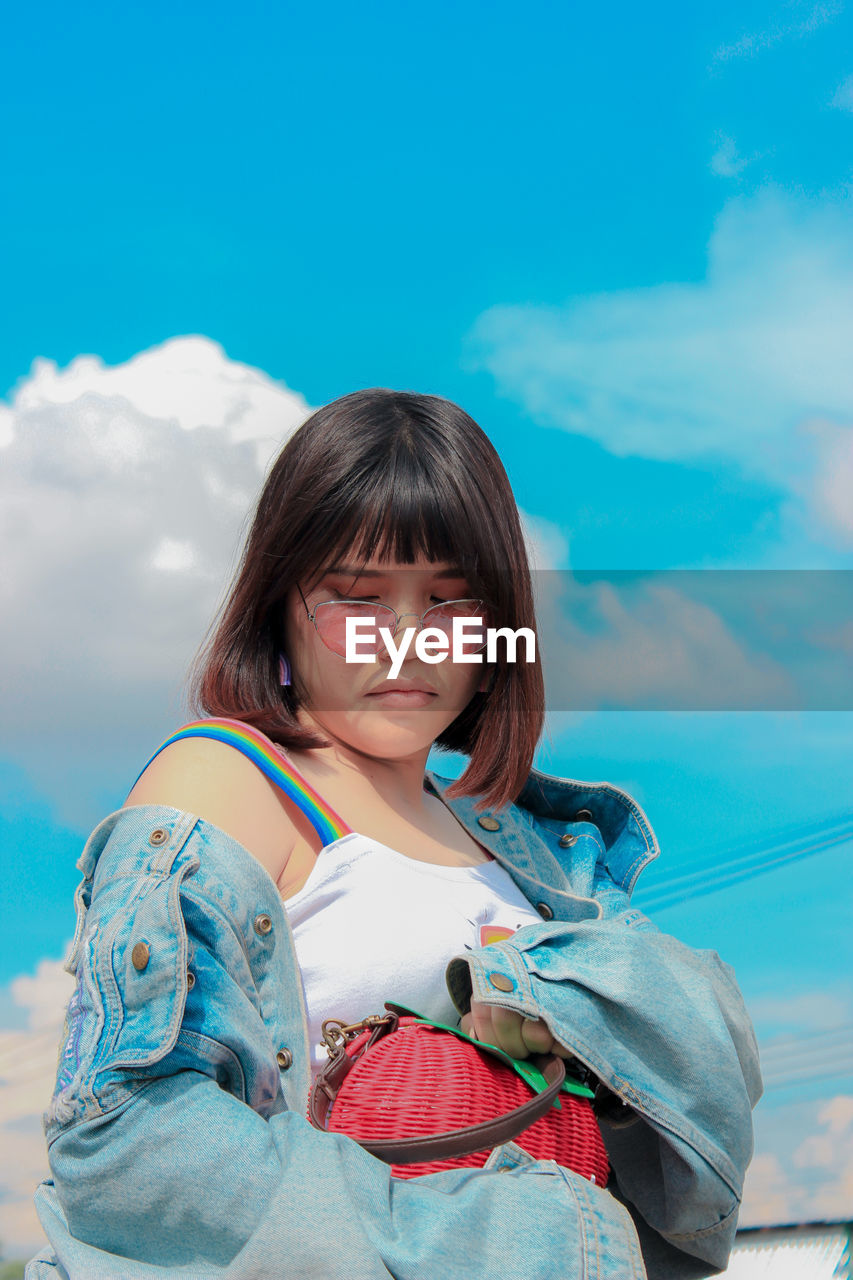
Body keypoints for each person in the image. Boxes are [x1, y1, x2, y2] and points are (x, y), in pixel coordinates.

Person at [26, 389, 762, 1280]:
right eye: (356, 595)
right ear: (280, 608)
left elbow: (705, 1086)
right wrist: (511, 1239)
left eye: (450, 599)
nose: (406, 640)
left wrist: (537, 1004)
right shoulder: (231, 780)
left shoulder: (532, 844)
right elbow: (123, 1137)